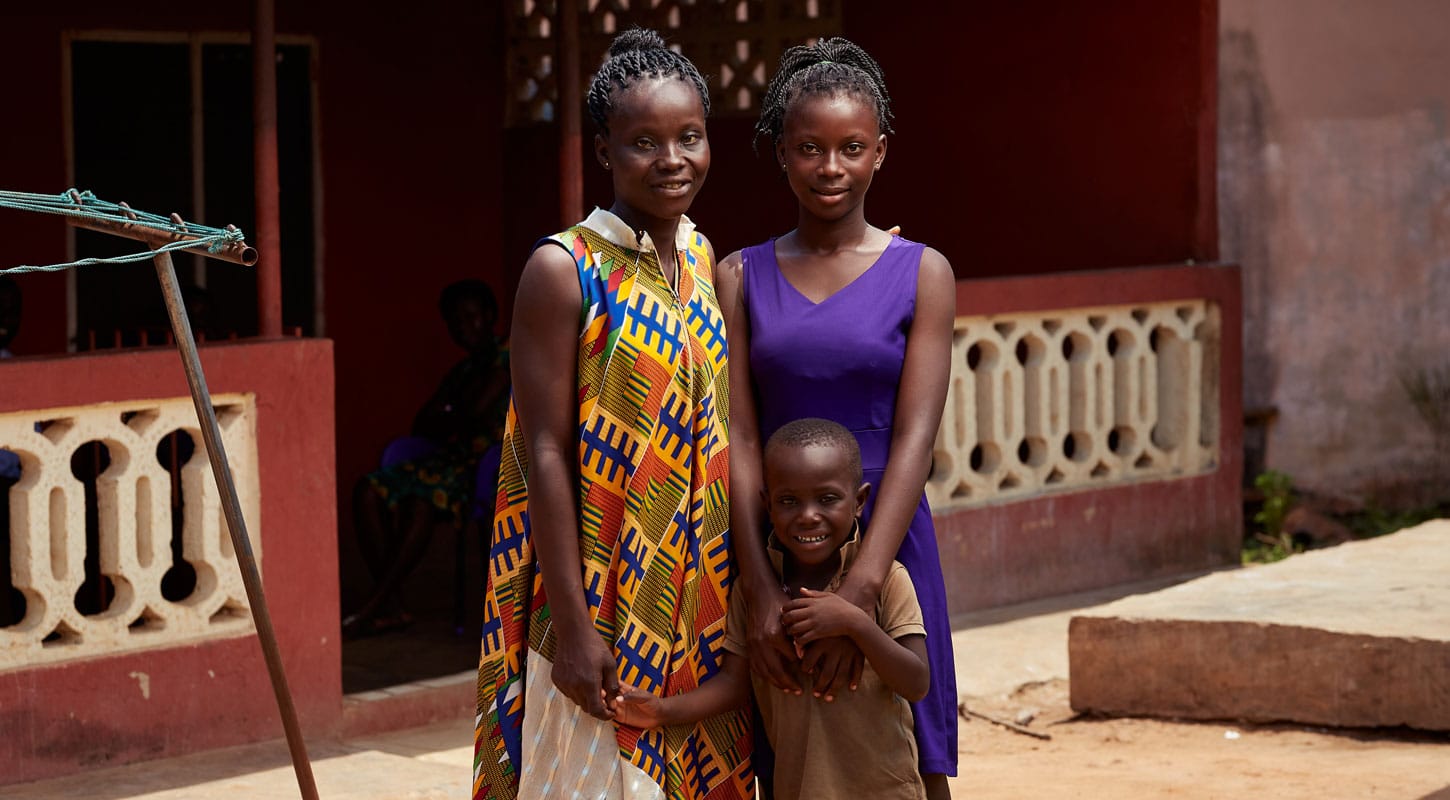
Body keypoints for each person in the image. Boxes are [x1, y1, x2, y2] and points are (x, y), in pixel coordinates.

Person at [473, 28, 751, 800]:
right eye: (643, 142)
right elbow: (549, 451)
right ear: (604, 152)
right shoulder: (565, 269)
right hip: (601, 589)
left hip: (701, 593)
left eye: (688, 137)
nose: (671, 159)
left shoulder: (700, 259)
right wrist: (573, 625)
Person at [715, 38, 958, 799]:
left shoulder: (923, 269)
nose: (831, 167)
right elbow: (740, 435)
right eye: (810, 148)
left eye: (851, 148)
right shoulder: (738, 275)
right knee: (790, 746)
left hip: (887, 537)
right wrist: (758, 585)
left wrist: (861, 588)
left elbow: (918, 436)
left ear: (880, 153)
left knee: (910, 753)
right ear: (781, 153)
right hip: (779, 543)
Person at [613, 418, 931, 800]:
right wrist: (662, 711)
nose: (808, 515)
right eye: (788, 501)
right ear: (767, 504)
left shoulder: (889, 581)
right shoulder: (757, 596)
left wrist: (855, 624)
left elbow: (916, 682)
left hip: (884, 789)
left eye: (827, 499)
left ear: (859, 501)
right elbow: (734, 683)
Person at [343, 279, 510, 637]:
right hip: (445, 461)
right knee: (367, 491)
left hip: (484, 469)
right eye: (455, 321)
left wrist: (451, 411)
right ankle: (391, 604)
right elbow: (425, 423)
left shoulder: (506, 357)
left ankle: (375, 604)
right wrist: (453, 411)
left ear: (490, 316)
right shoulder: (464, 371)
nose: (464, 327)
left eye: (471, 317)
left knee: (420, 502)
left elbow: (473, 412)